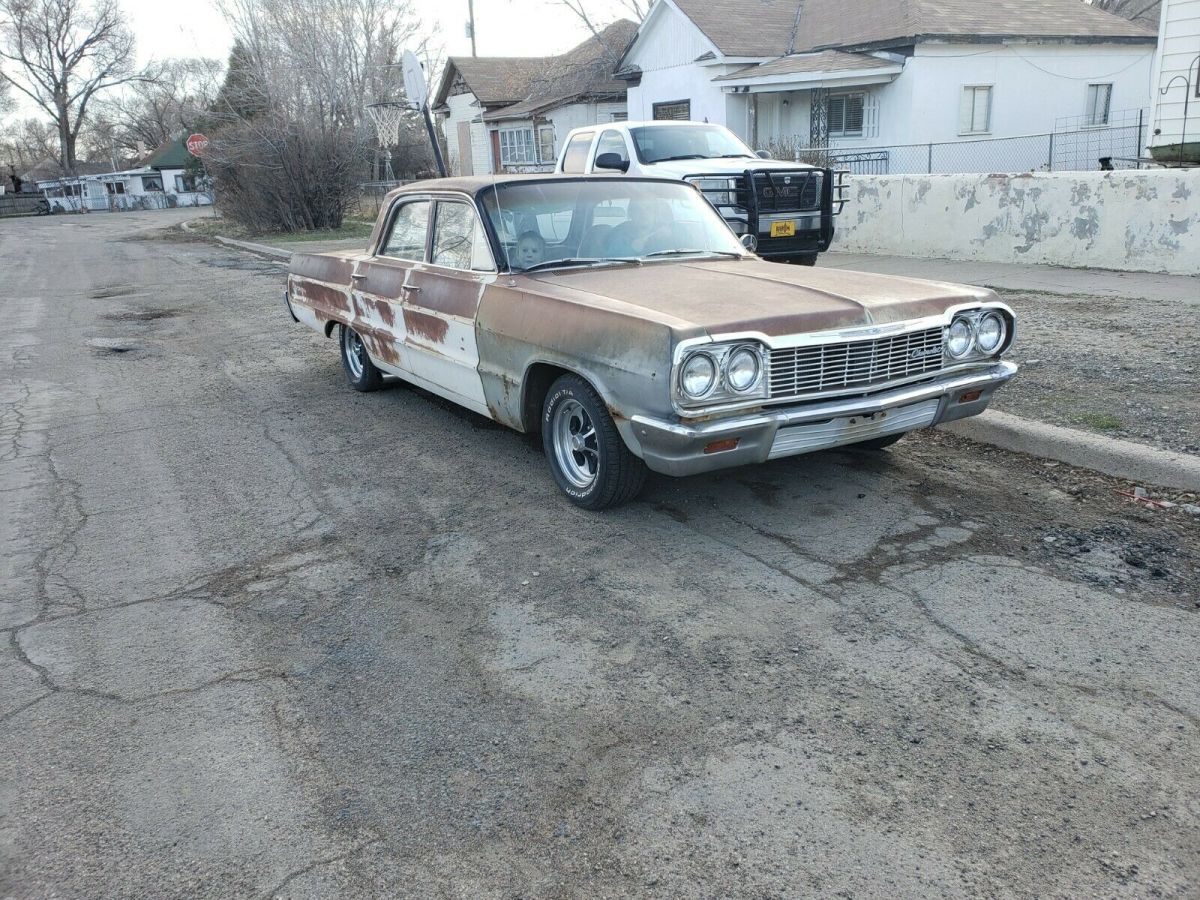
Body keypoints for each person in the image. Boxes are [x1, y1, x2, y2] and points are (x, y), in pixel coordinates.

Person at [606, 199, 675, 258]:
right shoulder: (619, 234)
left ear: (655, 213)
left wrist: (671, 236)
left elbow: (682, 254)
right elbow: (609, 261)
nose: (644, 213)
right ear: (630, 213)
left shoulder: (665, 231)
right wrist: (632, 249)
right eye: (638, 209)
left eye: (648, 208)